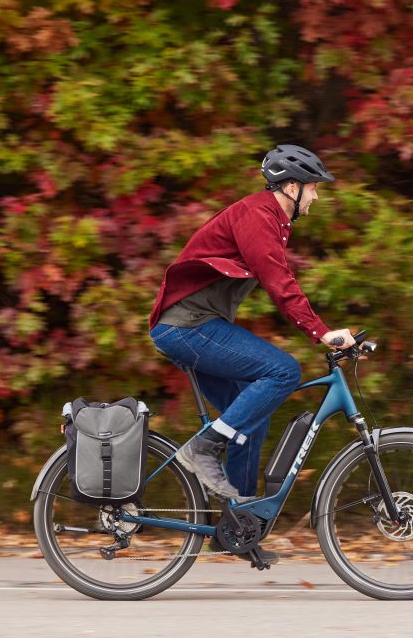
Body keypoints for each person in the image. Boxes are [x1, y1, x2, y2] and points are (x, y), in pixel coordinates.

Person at [148, 144, 354, 560]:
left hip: (197, 327)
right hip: (186, 327)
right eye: (313, 189)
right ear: (291, 187)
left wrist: (321, 331)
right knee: (283, 371)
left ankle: (237, 528)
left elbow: (281, 280)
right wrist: (322, 332)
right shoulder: (257, 216)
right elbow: (280, 284)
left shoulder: (271, 220)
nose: (316, 198)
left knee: (251, 419)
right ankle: (202, 448)